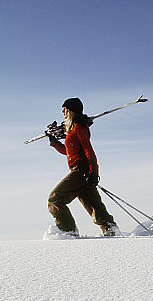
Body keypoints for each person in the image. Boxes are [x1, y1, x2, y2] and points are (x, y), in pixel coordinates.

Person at [47, 97, 120, 237]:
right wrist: (54, 142)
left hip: (80, 173)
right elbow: (68, 152)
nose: (63, 111)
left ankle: (67, 230)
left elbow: (89, 151)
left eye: (65, 109)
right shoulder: (73, 129)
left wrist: (94, 172)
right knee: (94, 205)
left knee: (55, 198)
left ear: (71, 110)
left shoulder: (79, 128)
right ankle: (110, 229)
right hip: (83, 174)